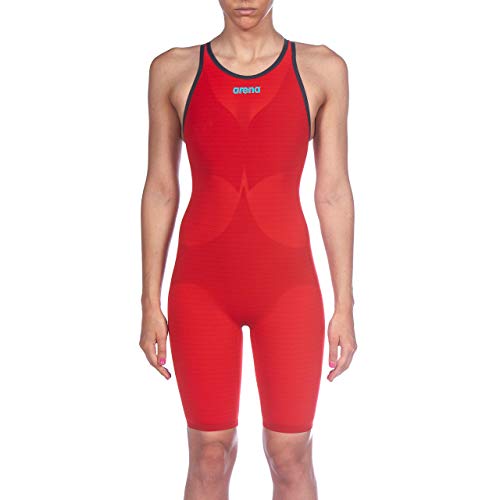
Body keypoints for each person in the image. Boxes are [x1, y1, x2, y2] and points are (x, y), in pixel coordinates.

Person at [140, 1, 356, 498]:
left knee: (291, 456)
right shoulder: (172, 70)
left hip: (288, 290)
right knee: (209, 455)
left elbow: (333, 192)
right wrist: (149, 301)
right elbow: (161, 189)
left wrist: (344, 304)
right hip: (201, 289)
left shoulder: (322, 68)